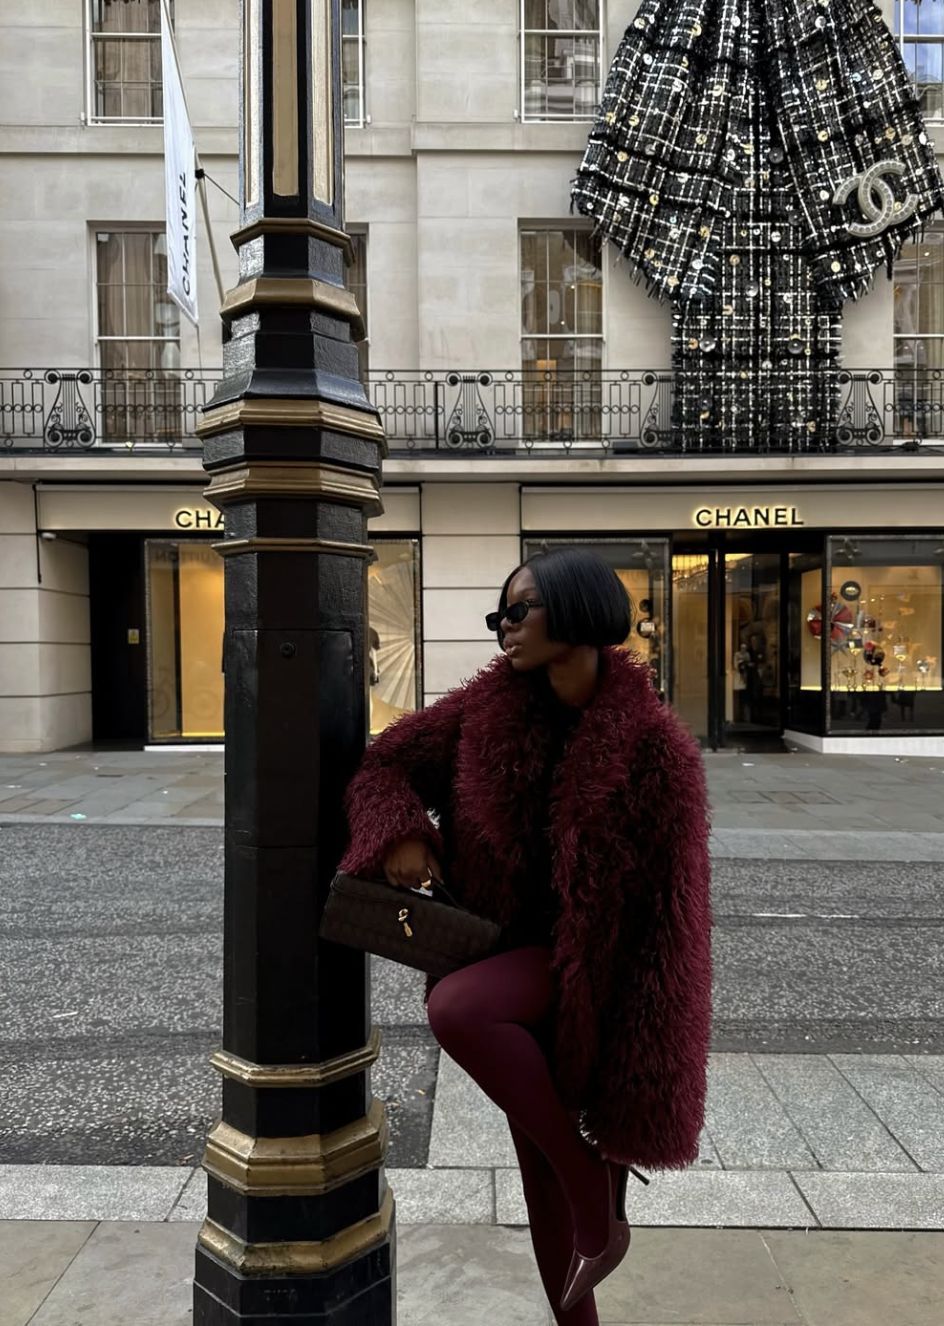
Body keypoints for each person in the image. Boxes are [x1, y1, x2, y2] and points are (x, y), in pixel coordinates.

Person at [341, 548, 712, 1324]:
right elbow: (384, 765)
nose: (503, 629)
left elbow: (672, 928)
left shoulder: (657, 752)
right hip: (501, 950)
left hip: (595, 983)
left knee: (460, 1012)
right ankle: (589, 1200)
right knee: (538, 1166)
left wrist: (641, 1068)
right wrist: (402, 830)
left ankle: (588, 1183)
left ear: (576, 614)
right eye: (498, 615)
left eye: (519, 611)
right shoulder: (484, 713)